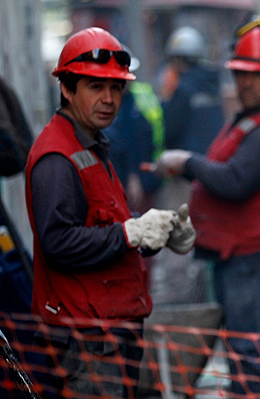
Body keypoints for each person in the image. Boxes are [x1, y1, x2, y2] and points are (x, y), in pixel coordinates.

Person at [24, 27, 196, 399]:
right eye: (95, 87)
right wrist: (130, 234)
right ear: (67, 89)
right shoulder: (56, 158)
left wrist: (157, 233)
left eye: (116, 88)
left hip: (111, 331)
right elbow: (58, 241)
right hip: (86, 339)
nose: (109, 99)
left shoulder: (91, 146)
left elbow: (107, 225)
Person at [152, 16, 260, 398]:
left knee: (257, 365)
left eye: (255, 74)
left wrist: (187, 162)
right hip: (241, 263)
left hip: (257, 266)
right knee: (245, 364)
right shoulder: (251, 120)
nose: (244, 82)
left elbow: (235, 181)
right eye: (240, 73)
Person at [159, 26, 225, 211]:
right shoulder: (213, 86)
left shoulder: (183, 90)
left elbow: (170, 131)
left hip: (186, 172)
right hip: (212, 170)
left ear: (180, 59)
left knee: (180, 227)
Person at [104, 47, 164, 214]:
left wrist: (135, 176)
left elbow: (139, 138)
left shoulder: (132, 100)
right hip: (120, 179)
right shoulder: (112, 104)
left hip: (143, 176)